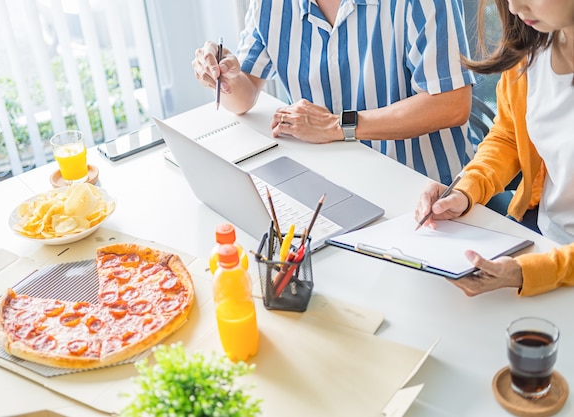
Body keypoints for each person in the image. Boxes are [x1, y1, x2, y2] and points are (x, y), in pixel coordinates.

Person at [192, 0, 477, 185]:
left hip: (427, 187)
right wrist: (224, 78)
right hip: (330, 182)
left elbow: (451, 104)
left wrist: (336, 125)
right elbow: (245, 94)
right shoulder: (270, 5)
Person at [414, 0, 574, 296]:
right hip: (545, 240)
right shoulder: (533, 50)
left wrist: (530, 272)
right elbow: (510, 136)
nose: (514, 8)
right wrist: (465, 190)